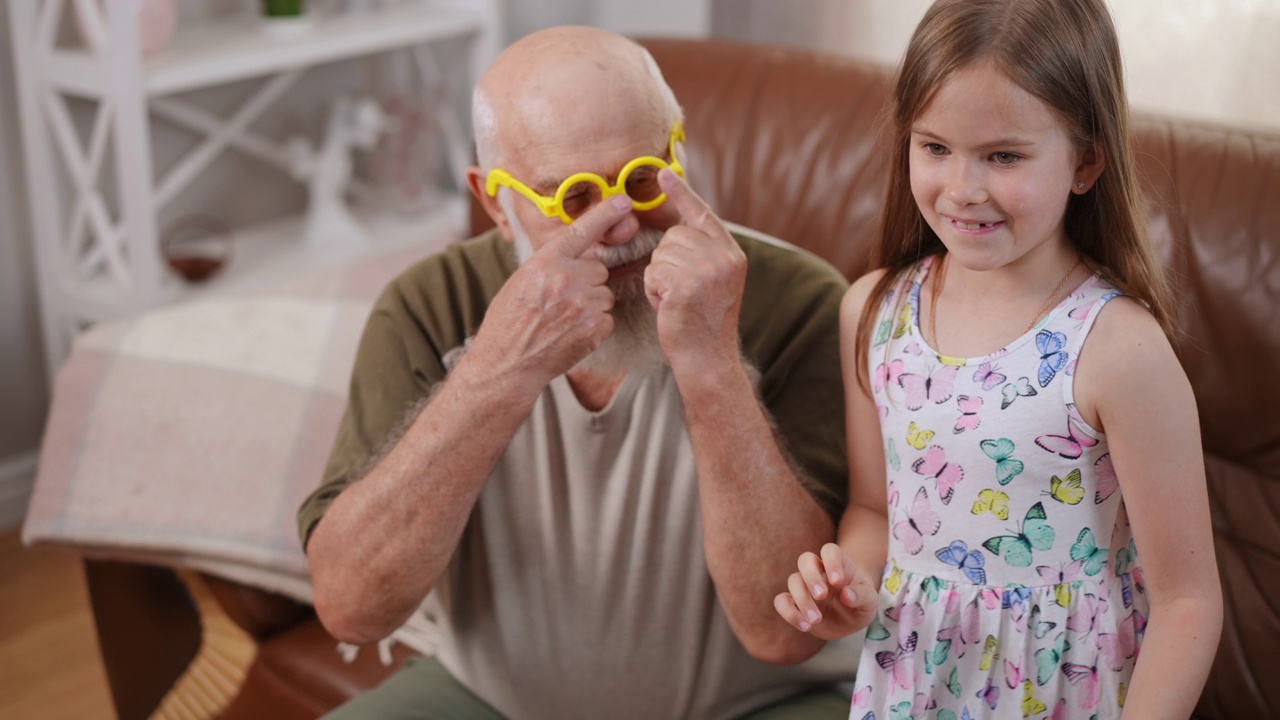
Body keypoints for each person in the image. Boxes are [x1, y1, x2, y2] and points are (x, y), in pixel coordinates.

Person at [298, 25, 860, 720]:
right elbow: (351, 608)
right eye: (570, 198)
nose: (619, 226)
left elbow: (783, 633)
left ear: (678, 149)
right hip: (489, 699)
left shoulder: (802, 299)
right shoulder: (427, 306)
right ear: (492, 203)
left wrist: (712, 362)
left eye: (640, 180)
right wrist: (501, 368)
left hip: (756, 704)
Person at [773, 0, 1223, 717]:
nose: (961, 189)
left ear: (1086, 161)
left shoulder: (1120, 351)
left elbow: (1187, 602)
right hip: (912, 682)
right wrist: (851, 586)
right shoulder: (872, 313)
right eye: (935, 148)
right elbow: (872, 511)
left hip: (1062, 691)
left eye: (1004, 156)